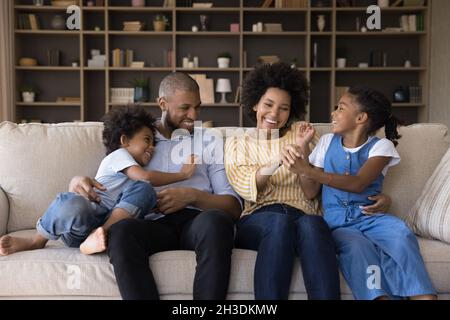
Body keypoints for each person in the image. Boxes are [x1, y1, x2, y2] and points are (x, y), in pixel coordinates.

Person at [224, 63, 391, 300]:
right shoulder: (237, 143)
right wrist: (278, 159)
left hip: (302, 215)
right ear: (254, 104)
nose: (274, 114)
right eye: (268, 105)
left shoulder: (304, 135)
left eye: (283, 109)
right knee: (279, 224)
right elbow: (246, 186)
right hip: (259, 219)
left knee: (314, 224)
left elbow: (316, 188)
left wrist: (302, 147)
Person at [68, 72, 242, 300]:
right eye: (185, 108)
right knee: (121, 232)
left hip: (198, 222)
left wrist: (191, 196)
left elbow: (233, 207)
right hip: (152, 225)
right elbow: (109, 179)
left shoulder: (209, 140)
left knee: (217, 222)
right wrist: (76, 181)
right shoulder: (140, 139)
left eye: (198, 107)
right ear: (163, 103)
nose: (194, 115)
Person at [283, 85, 436, 300]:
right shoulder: (327, 142)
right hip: (338, 224)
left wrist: (307, 170)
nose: (333, 113)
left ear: (360, 117)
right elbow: (310, 191)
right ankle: (378, 297)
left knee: (401, 233)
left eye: (341, 108)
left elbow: (358, 183)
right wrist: (304, 155)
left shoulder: (381, 147)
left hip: (372, 218)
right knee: (356, 248)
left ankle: (422, 295)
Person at [0, 105, 196, 256]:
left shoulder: (136, 175)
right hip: (87, 218)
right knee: (71, 203)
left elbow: (140, 199)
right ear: (124, 141)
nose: (151, 147)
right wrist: (183, 174)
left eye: (154, 143)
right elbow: (145, 177)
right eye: (146, 140)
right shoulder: (120, 156)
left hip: (110, 230)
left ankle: (99, 235)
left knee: (144, 192)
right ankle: (36, 240)